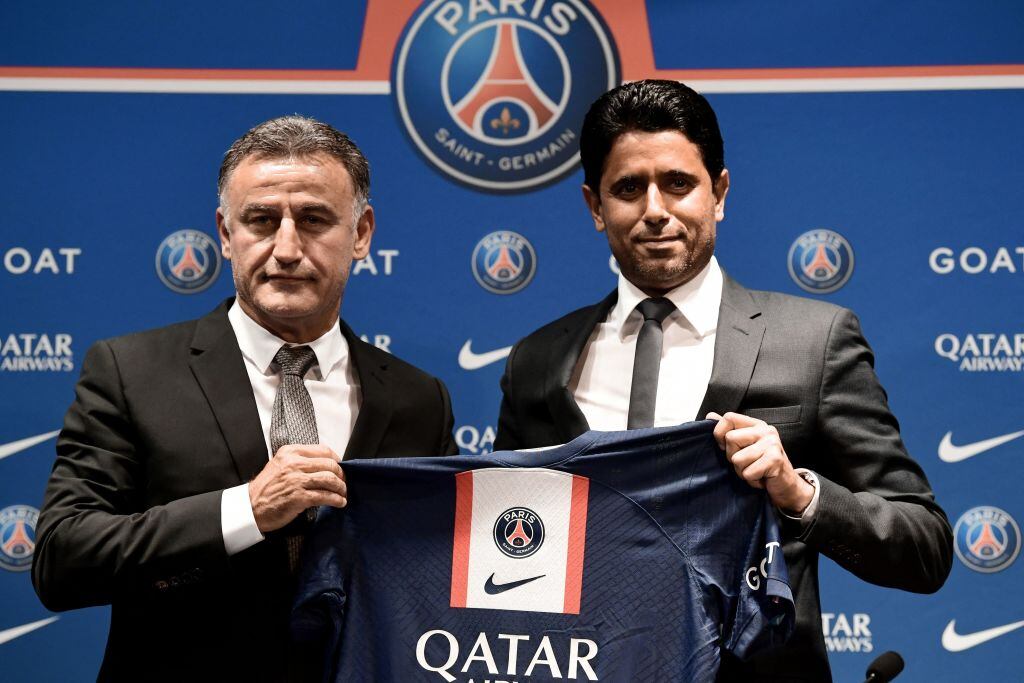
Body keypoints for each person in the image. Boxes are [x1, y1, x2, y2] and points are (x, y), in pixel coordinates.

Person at [494, 80, 953, 682]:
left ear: (720, 193)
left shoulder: (813, 342)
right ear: (595, 206)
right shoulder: (537, 360)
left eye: (678, 183)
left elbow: (925, 548)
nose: (655, 209)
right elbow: (501, 548)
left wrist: (799, 493)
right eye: (628, 188)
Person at [32, 115, 458, 682]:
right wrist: (246, 511)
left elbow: (438, 582)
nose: (287, 248)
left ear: (361, 234)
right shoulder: (130, 372)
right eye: (261, 220)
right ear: (226, 233)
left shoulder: (419, 398)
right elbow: (62, 561)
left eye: (314, 220)